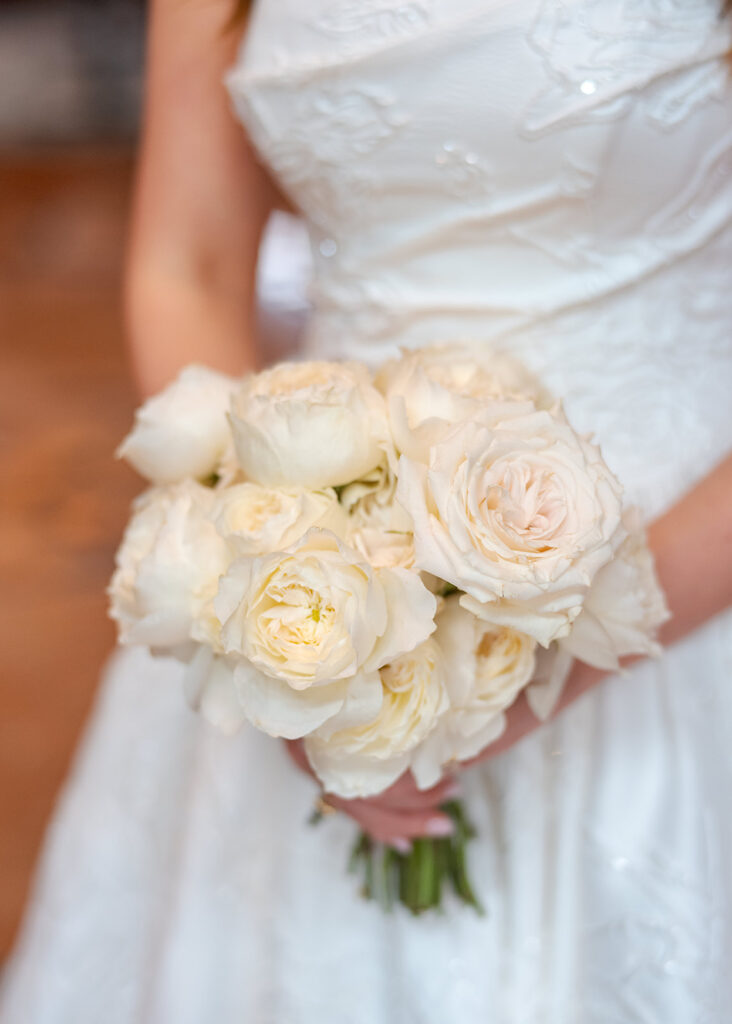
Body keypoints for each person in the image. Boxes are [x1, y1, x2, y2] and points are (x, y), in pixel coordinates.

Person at [2, 0, 731, 1020]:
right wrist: (285, 634)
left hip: (688, 573)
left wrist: (541, 670)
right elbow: (189, 265)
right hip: (315, 515)